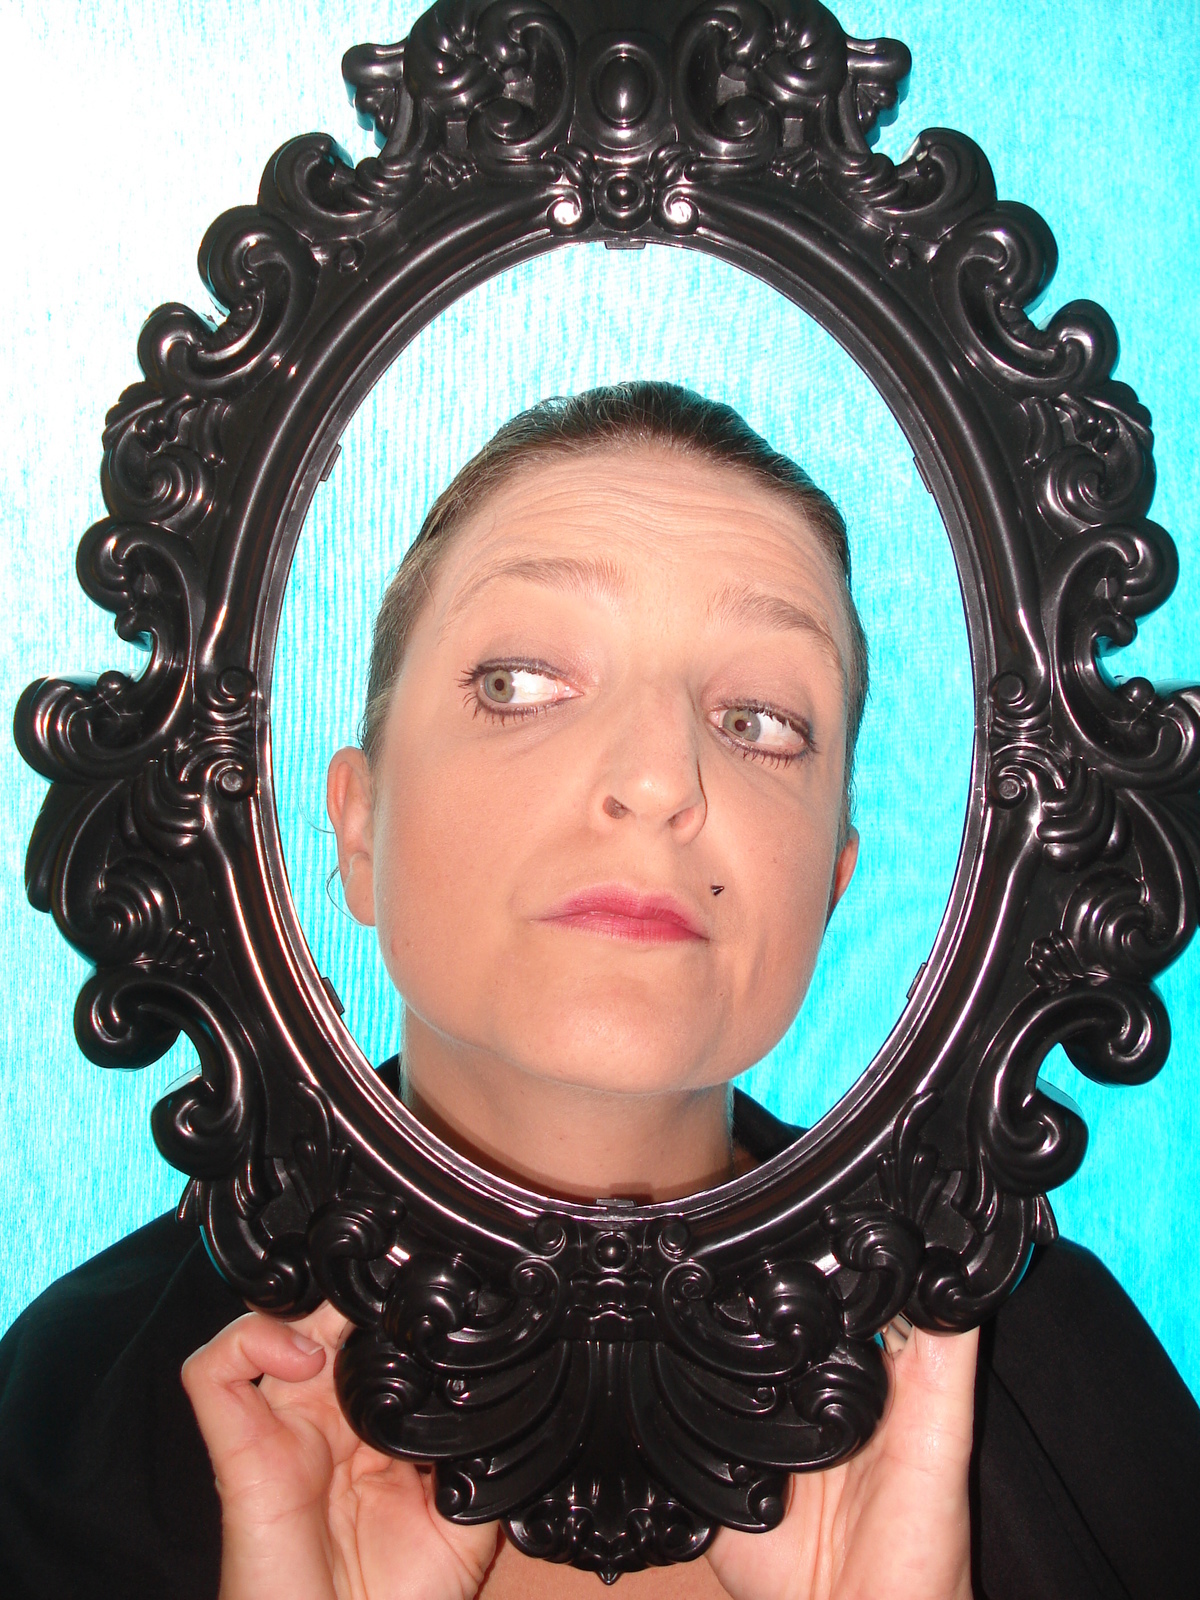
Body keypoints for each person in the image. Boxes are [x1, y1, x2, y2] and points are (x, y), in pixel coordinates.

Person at [1, 385, 1198, 1599]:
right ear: (359, 829)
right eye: (519, 682)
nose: (658, 775)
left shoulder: (1057, 1379)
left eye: (759, 719)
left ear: (831, 883)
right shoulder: (65, 1425)